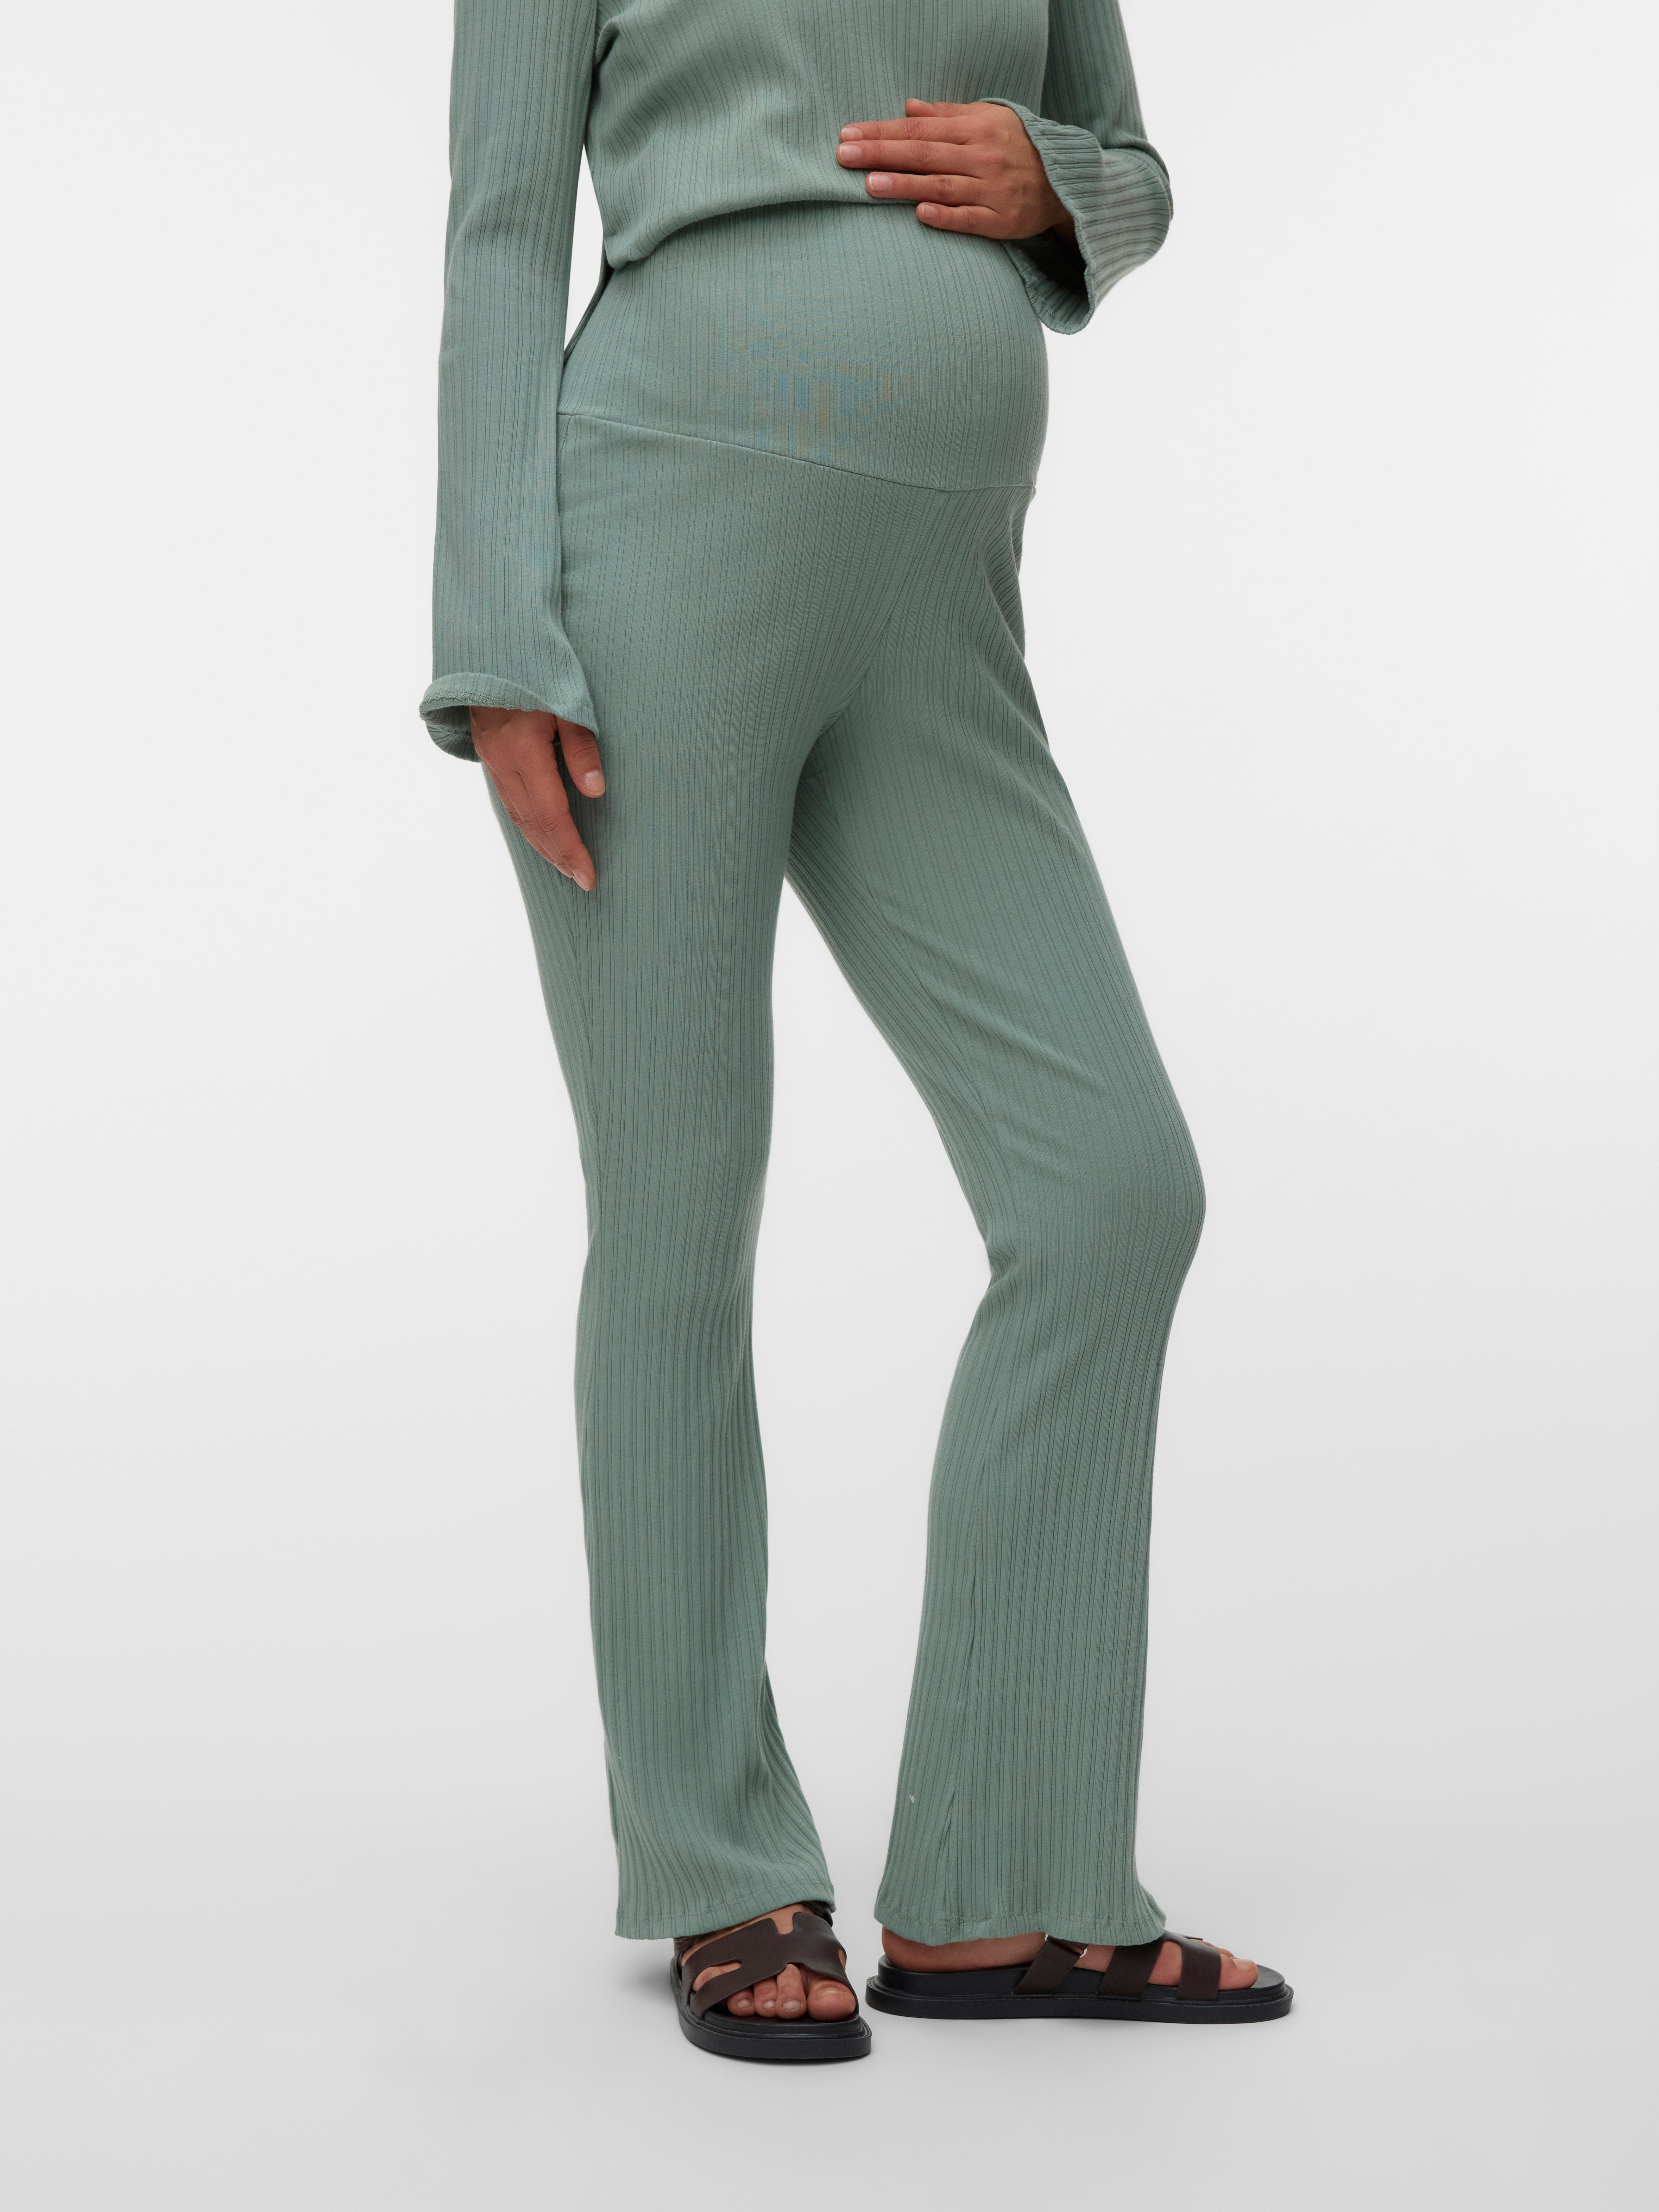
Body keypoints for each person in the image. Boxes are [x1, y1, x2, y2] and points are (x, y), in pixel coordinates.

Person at [421, 0, 1291, 2062]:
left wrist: (1057, 183)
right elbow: (500, 224)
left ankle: (1009, 1884)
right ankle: (720, 1863)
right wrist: (490, 637)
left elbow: (1130, 167)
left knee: (1111, 1193)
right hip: (651, 564)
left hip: (940, 603)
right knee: (680, 1207)